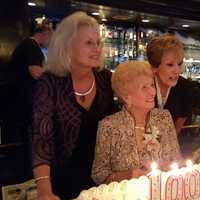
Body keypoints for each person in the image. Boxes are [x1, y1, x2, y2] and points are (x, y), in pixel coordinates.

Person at [31, 11, 116, 200]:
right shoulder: (50, 82)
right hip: (63, 182)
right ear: (67, 46)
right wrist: (45, 190)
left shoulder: (106, 79)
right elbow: (41, 139)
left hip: (105, 180)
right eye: (88, 43)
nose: (97, 48)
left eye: (98, 43)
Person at [92, 61, 182, 185]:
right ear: (126, 97)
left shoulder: (163, 118)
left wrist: (164, 167)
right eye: (144, 87)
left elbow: (177, 160)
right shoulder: (109, 126)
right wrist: (128, 175)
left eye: (152, 85)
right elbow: (99, 175)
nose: (152, 92)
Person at [146, 34, 196, 135]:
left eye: (180, 63)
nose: (177, 71)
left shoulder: (186, 88)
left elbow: (175, 133)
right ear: (154, 66)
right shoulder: (144, 85)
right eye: (170, 65)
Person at [10, 23, 52, 142]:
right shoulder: (31, 46)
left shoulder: (28, 44)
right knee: (26, 133)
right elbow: (36, 73)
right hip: (23, 96)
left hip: (18, 95)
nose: (51, 41)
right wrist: (53, 74)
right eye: (51, 37)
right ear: (45, 34)